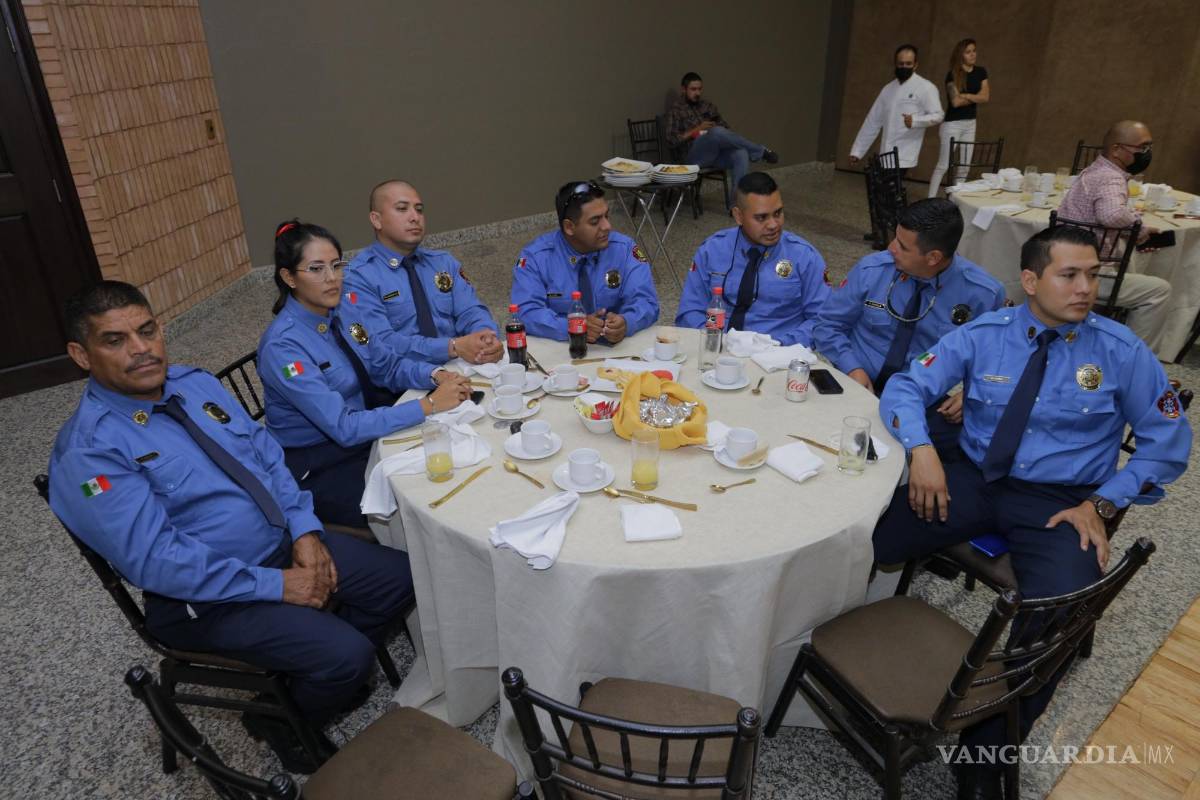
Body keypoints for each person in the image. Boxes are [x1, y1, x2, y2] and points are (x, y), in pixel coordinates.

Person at [48, 281, 417, 773]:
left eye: (147, 330)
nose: (141, 349)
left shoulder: (193, 384)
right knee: (346, 656)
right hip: (203, 598)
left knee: (406, 578)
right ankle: (282, 722)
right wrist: (279, 585)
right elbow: (158, 562)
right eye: (115, 341)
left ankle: (303, 672)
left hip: (282, 543)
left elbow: (265, 457)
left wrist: (305, 532)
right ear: (81, 354)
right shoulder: (90, 451)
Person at [873, 225, 1191, 798]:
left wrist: (1103, 502)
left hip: (1059, 503)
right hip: (974, 478)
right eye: (1070, 275)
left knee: (1058, 618)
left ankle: (983, 759)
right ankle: (844, 665)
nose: (1086, 288)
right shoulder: (983, 335)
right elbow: (904, 388)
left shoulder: (1120, 351)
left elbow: (1168, 444)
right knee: (868, 539)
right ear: (1030, 280)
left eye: (1092, 274)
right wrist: (922, 450)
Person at [258, 220, 471, 527]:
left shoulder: (341, 311)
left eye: (336, 265)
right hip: (320, 464)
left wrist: (435, 375)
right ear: (289, 277)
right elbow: (343, 426)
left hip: (364, 434)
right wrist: (430, 404)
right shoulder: (284, 347)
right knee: (425, 504)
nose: (332, 279)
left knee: (454, 456)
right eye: (316, 269)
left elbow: (386, 364)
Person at [813, 198, 1004, 460]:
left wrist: (970, 393)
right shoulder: (873, 270)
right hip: (853, 383)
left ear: (934, 257)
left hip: (923, 402)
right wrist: (852, 368)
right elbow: (828, 325)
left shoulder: (982, 294)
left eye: (902, 246)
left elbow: (996, 360)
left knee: (933, 457)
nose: (891, 248)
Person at [342, 179, 503, 371]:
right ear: (376, 220)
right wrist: (452, 347)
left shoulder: (442, 262)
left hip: (462, 366)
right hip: (405, 381)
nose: (414, 217)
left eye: (419, 209)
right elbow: (381, 343)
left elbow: (470, 310)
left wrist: (484, 336)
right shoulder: (358, 276)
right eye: (402, 209)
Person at [1058, 120, 1172, 356]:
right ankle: (1134, 362)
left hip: (1065, 258)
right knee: (1159, 290)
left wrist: (1137, 234)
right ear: (1117, 150)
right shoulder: (1111, 178)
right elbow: (1110, 214)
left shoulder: (1093, 171)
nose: (1147, 154)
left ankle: (1103, 341)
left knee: (1130, 263)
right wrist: (1138, 227)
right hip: (1086, 273)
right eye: (1142, 148)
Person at [676, 171, 830, 346]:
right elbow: (690, 310)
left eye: (778, 213)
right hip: (719, 347)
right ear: (738, 216)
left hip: (778, 354)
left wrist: (780, 345)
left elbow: (822, 320)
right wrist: (714, 338)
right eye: (761, 217)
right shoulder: (712, 250)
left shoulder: (804, 257)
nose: (773, 224)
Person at [511, 181, 660, 344]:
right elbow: (525, 313)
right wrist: (572, 327)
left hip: (618, 351)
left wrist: (627, 322)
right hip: (563, 350)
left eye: (607, 216)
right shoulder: (536, 258)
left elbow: (647, 301)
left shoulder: (624, 249)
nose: (607, 226)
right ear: (569, 227)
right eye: (595, 221)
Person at [664, 71, 778, 203]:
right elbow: (671, 141)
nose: (697, 93)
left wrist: (714, 130)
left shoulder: (707, 106)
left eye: (700, 89)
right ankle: (760, 151)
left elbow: (725, 128)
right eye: (693, 89)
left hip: (714, 153)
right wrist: (697, 129)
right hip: (691, 157)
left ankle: (736, 205)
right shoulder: (676, 110)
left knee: (741, 153)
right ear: (683, 89)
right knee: (717, 132)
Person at [849, 45, 944, 177]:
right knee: (884, 193)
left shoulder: (926, 87)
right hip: (886, 151)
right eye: (901, 63)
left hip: (905, 152)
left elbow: (938, 115)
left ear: (915, 65)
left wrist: (915, 121)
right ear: (895, 64)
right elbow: (873, 121)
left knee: (890, 191)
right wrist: (857, 151)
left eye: (908, 63)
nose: (904, 67)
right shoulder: (888, 89)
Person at [927, 38, 990, 197]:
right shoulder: (953, 74)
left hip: (970, 123)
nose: (972, 54)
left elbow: (985, 97)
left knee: (965, 166)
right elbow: (955, 102)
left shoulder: (981, 72)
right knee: (943, 165)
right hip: (952, 124)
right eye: (968, 52)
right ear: (961, 54)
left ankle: (955, 200)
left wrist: (967, 95)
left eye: (974, 50)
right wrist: (974, 97)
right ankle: (930, 200)